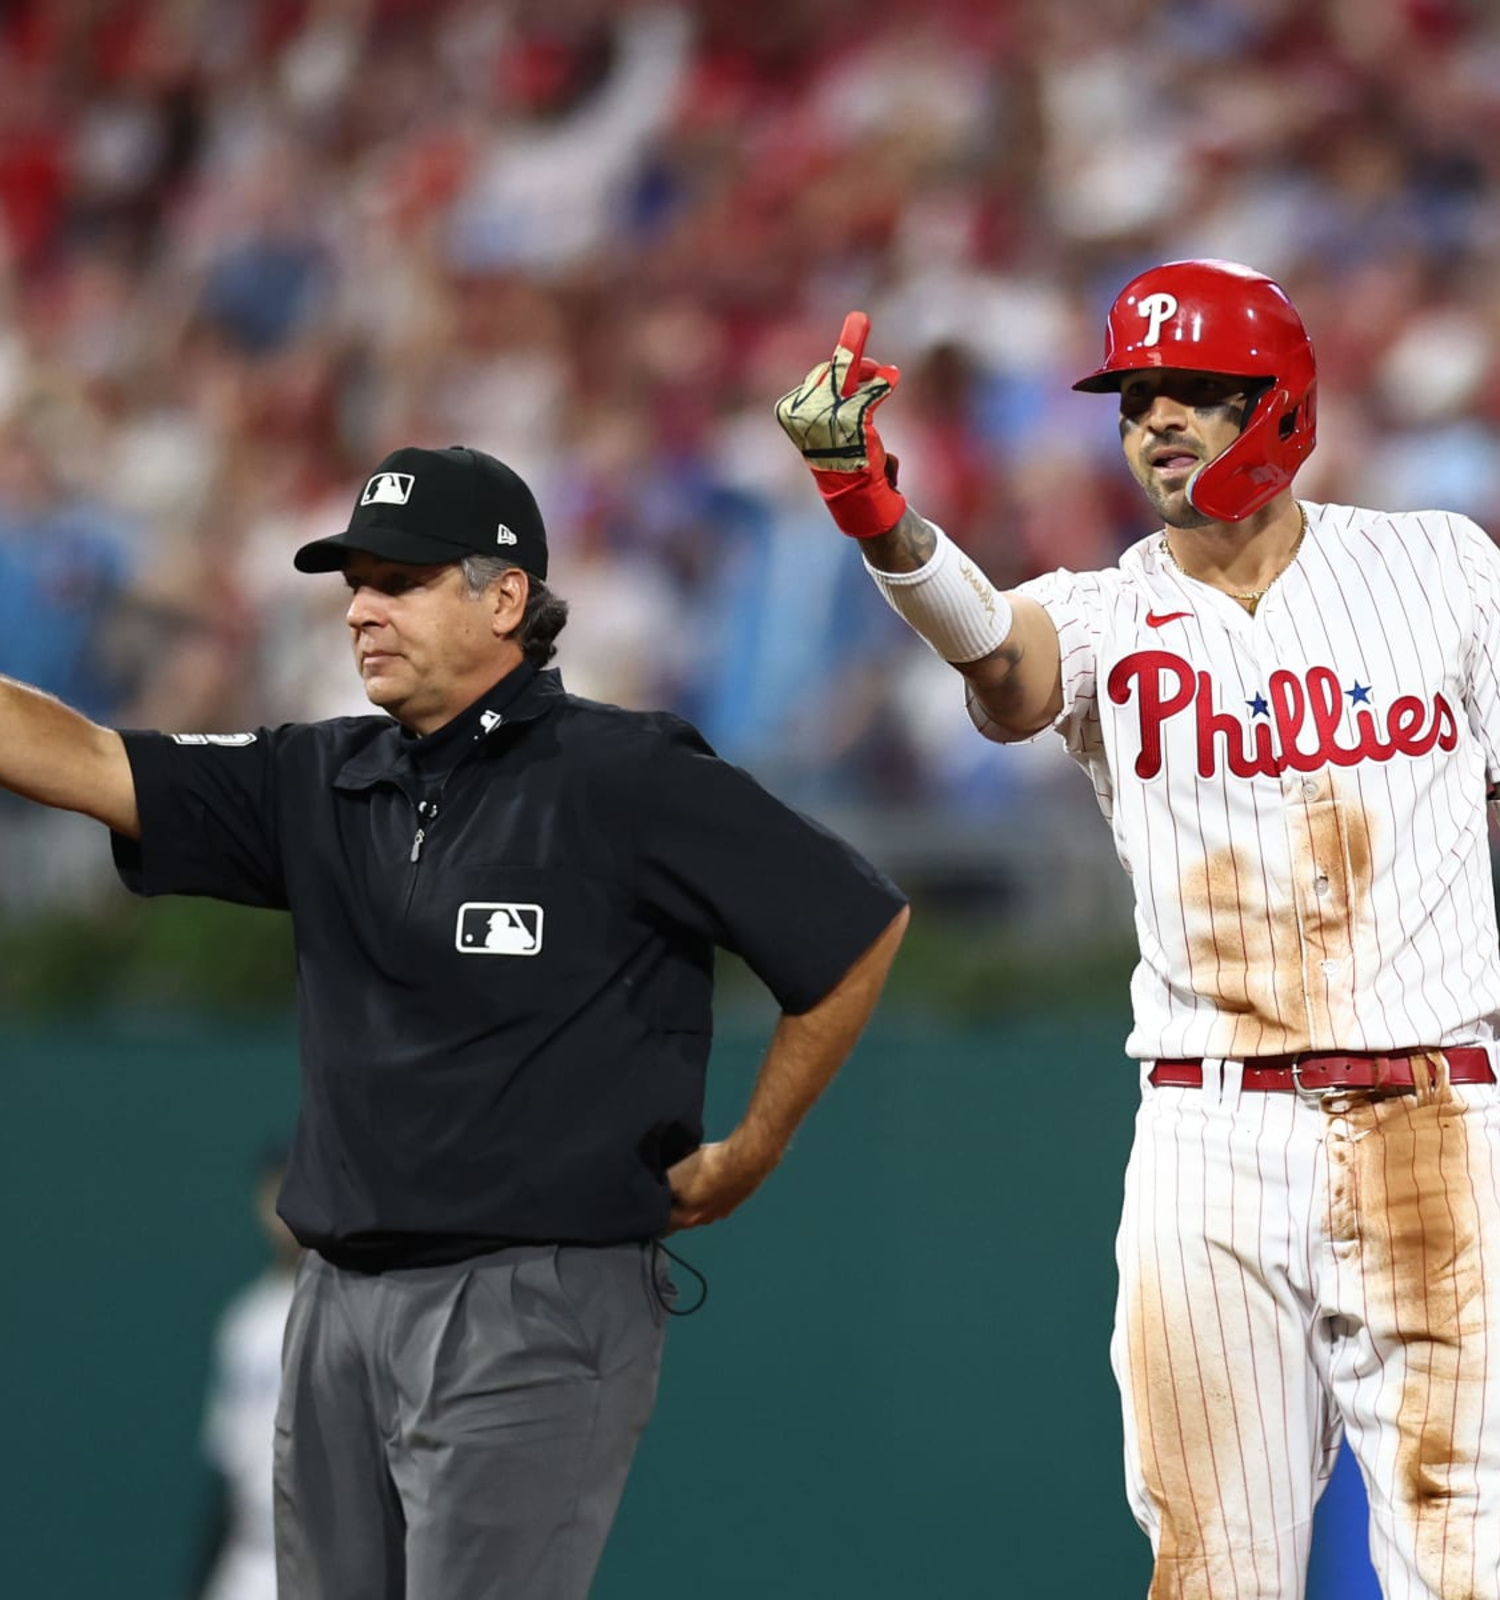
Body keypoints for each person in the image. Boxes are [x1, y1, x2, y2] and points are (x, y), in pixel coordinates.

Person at [774, 264, 1500, 1600]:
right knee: (1217, 1571)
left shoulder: (1439, 566)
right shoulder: (1110, 611)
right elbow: (1003, 657)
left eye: (1194, 392)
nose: (1157, 419)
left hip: (1430, 1113)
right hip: (1212, 1133)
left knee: (1468, 1568)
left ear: (1277, 403)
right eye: (1135, 396)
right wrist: (885, 525)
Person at [0, 442, 909, 1600]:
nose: (363, 610)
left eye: (401, 580)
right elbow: (85, 760)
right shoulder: (319, 778)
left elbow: (849, 928)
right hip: (335, 1306)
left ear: (505, 597)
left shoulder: (623, 775)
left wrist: (754, 1147)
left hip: (530, 1298)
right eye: (355, 585)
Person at [189, 1145, 301, 1600]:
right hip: (249, 1559)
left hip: (327, 1557)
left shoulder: (353, 1312)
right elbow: (226, 1466)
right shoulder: (245, 1321)